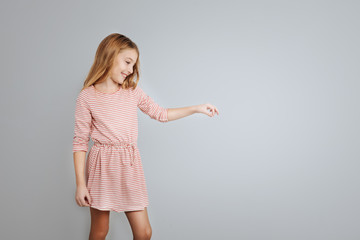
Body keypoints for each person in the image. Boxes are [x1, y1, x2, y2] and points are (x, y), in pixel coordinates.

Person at [72, 33, 219, 240]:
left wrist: (196, 108)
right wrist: (80, 184)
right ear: (109, 56)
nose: (131, 70)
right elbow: (80, 142)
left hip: (129, 165)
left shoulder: (132, 91)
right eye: (127, 62)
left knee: (144, 232)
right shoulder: (86, 97)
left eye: (134, 65)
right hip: (102, 165)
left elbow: (161, 113)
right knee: (100, 231)